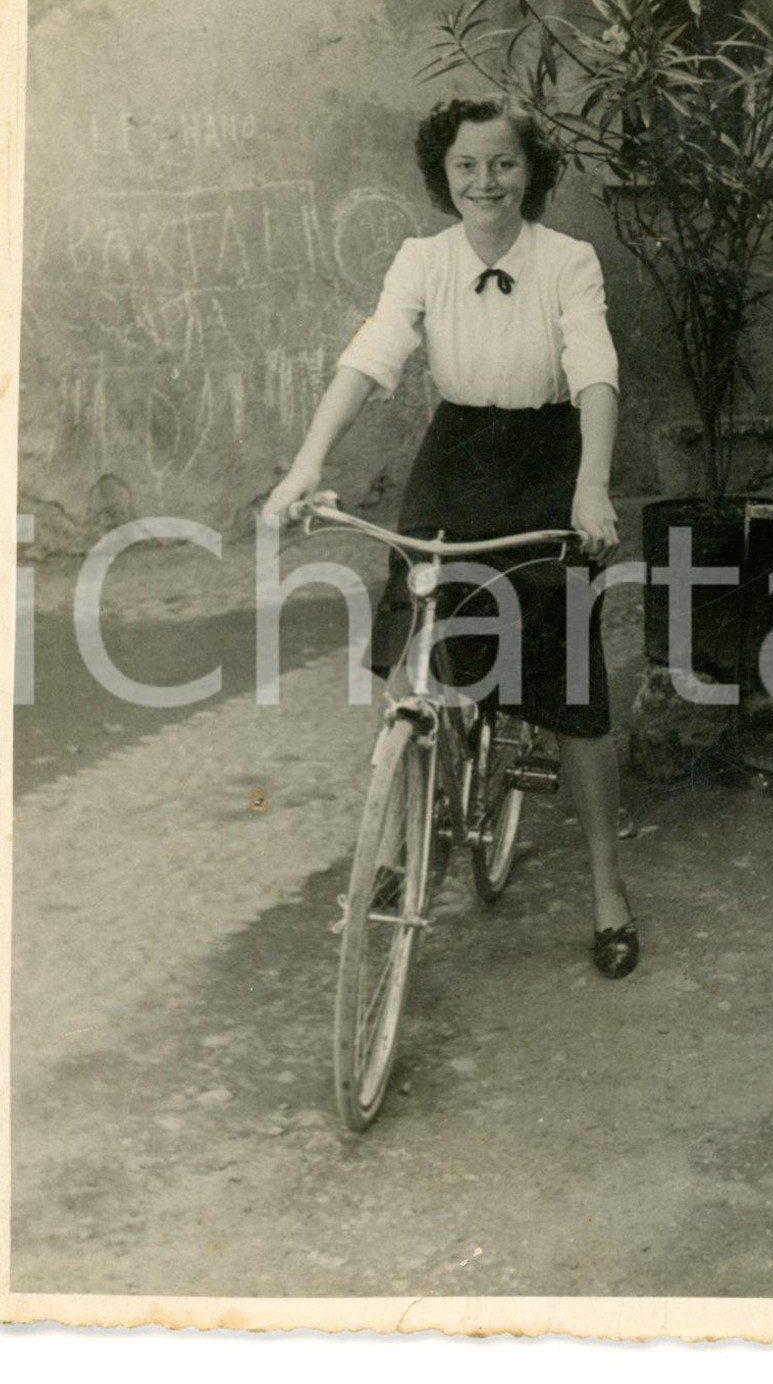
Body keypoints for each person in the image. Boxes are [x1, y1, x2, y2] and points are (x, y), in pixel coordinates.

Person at [265, 96, 637, 979]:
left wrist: (591, 484)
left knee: (568, 676)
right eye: (466, 166)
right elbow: (371, 358)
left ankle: (607, 887)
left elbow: (593, 368)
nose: (485, 182)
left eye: (503, 164)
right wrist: (305, 466)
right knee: (416, 633)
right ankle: (401, 832)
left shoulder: (568, 260)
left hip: (547, 458)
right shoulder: (422, 260)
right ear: (444, 175)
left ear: (530, 173)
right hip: (457, 453)